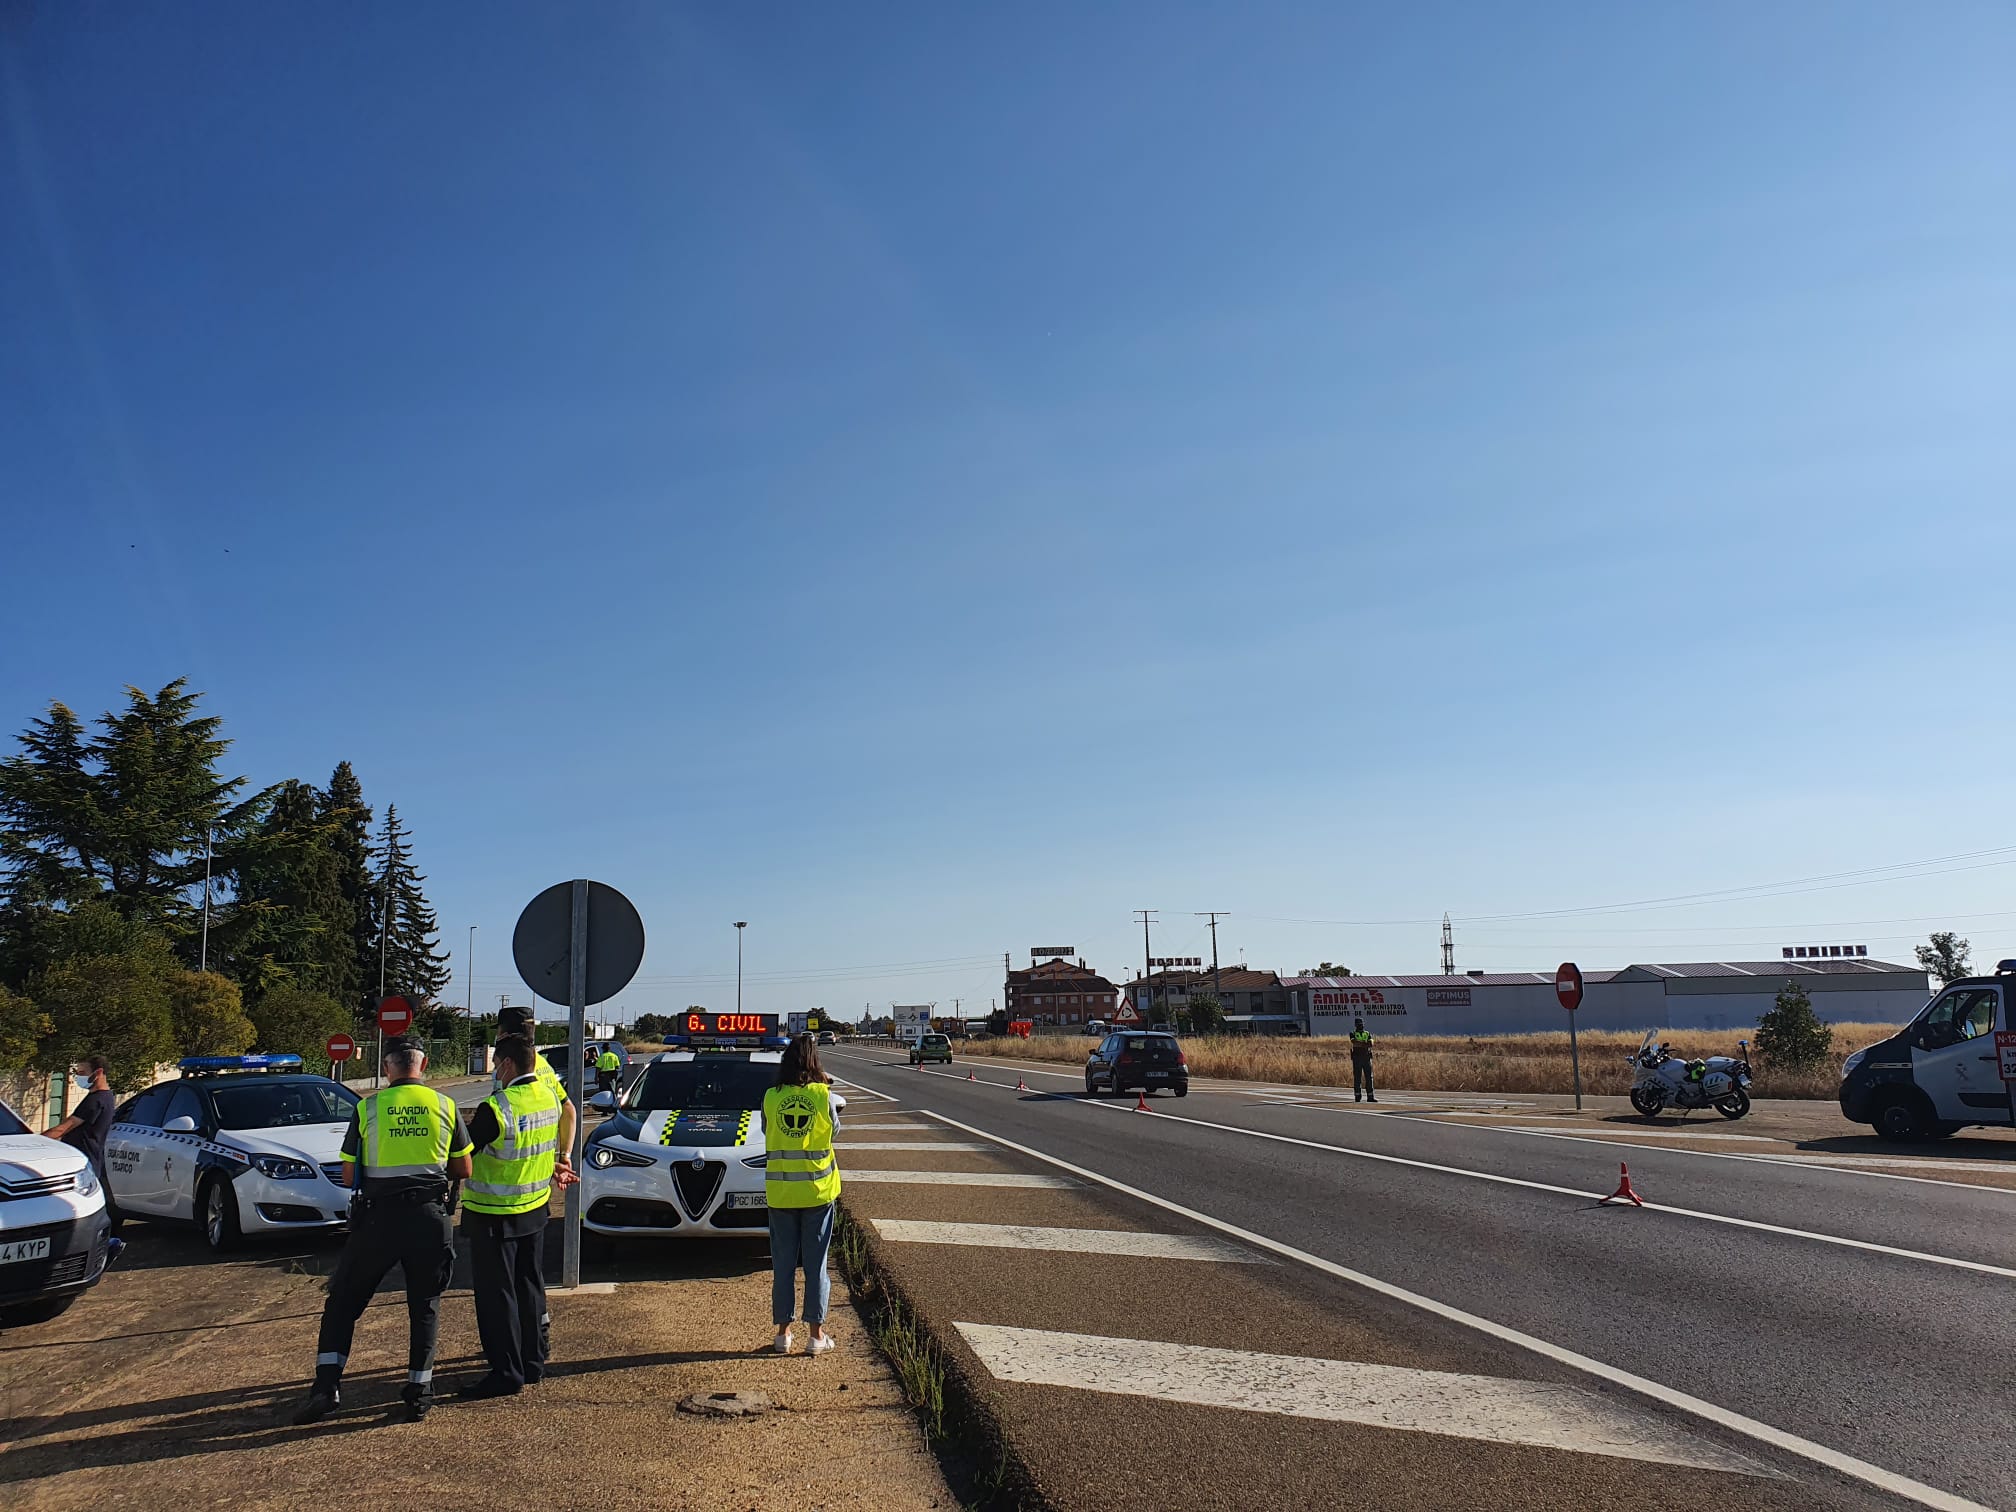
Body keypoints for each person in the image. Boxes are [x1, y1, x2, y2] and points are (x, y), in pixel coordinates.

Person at [293, 1035, 472, 1425]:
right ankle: (419, 1392)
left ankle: (326, 1388)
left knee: (343, 1303)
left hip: (377, 1219)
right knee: (424, 1305)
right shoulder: (445, 1105)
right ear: (422, 1065)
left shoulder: (368, 1107)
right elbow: (464, 1168)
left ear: (388, 1066)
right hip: (429, 1217)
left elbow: (347, 1173)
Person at [461, 1033, 568, 1398]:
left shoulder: (499, 1107)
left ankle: (505, 1372)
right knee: (529, 1285)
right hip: (535, 1207)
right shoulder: (549, 1096)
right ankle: (533, 1361)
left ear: (506, 1064)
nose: (493, 1071)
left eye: (495, 1064)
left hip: (494, 1213)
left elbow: (463, 1157)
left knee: (496, 1295)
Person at [495, 1005, 575, 1359]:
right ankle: (537, 1340)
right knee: (531, 1275)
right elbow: (568, 1110)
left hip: (506, 1192)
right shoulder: (541, 1066)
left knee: (509, 1281)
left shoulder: (512, 1065)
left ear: (503, 1036)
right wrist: (563, 1157)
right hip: (538, 1188)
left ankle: (517, 1348)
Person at [762, 1034, 846, 1356]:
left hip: (781, 1195)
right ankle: (816, 1336)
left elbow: (766, 1126)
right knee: (816, 1265)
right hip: (817, 1193)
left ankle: (782, 1335)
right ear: (814, 1061)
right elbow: (834, 1130)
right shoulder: (823, 1095)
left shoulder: (770, 1096)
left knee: (782, 1265)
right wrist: (821, 1086)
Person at [43, 1055, 123, 1258]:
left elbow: (65, 1127)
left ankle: (102, 1249)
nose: (78, 1077)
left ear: (98, 1073)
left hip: (84, 1163)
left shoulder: (96, 1101)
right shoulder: (104, 1097)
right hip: (89, 1161)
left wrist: (35, 1143)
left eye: (81, 1073)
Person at [1350, 1018, 1376, 1103]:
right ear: (1355, 1025)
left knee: (1369, 1077)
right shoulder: (1353, 1033)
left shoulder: (1367, 1033)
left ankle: (1370, 1096)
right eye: (1359, 1024)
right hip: (1357, 1058)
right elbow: (1354, 1042)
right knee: (1357, 1077)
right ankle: (1357, 1096)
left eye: (1361, 1023)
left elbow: (1371, 1043)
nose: (1361, 1025)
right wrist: (1365, 1044)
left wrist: (1361, 1044)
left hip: (1366, 1058)